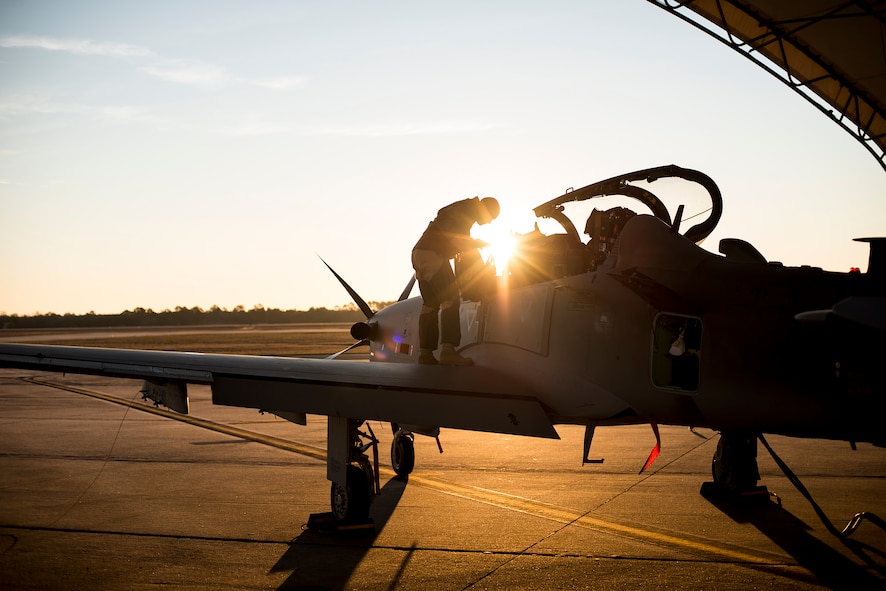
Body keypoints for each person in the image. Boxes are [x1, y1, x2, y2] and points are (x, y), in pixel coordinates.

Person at [411, 196, 500, 365]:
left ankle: (425, 354)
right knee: (450, 299)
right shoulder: (466, 210)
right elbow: (455, 239)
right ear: (486, 210)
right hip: (433, 255)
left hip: (419, 254)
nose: (488, 223)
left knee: (429, 306)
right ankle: (448, 351)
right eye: (491, 218)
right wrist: (479, 244)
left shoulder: (463, 209)